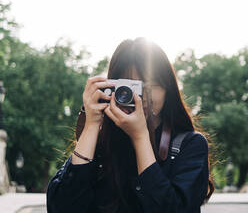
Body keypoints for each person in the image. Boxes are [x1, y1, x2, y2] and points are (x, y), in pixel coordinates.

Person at [46, 37, 214, 213]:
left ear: (168, 89)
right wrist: (91, 125)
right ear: (113, 87)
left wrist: (140, 137)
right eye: (133, 86)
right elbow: (61, 207)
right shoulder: (100, 145)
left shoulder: (189, 145)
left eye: (153, 85)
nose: (142, 96)